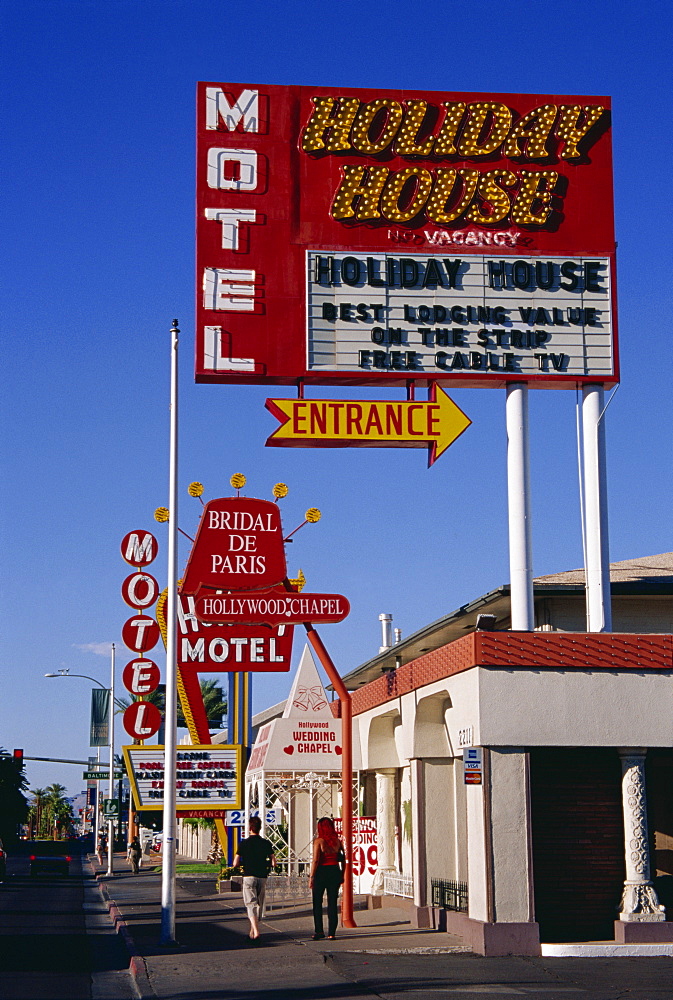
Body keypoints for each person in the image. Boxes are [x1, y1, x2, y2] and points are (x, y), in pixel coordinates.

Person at [233, 816, 275, 940]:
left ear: (250, 828)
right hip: (262, 876)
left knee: (250, 903)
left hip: (249, 876)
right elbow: (274, 862)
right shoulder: (266, 843)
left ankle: (256, 931)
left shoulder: (244, 844)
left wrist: (244, 864)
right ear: (260, 828)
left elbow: (235, 862)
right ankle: (252, 932)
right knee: (259, 904)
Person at [309, 817, 345, 940]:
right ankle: (332, 933)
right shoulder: (337, 841)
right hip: (334, 871)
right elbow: (344, 859)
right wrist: (342, 874)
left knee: (317, 903)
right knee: (332, 903)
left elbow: (315, 860)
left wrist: (312, 876)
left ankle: (319, 931)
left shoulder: (318, 841)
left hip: (321, 872)